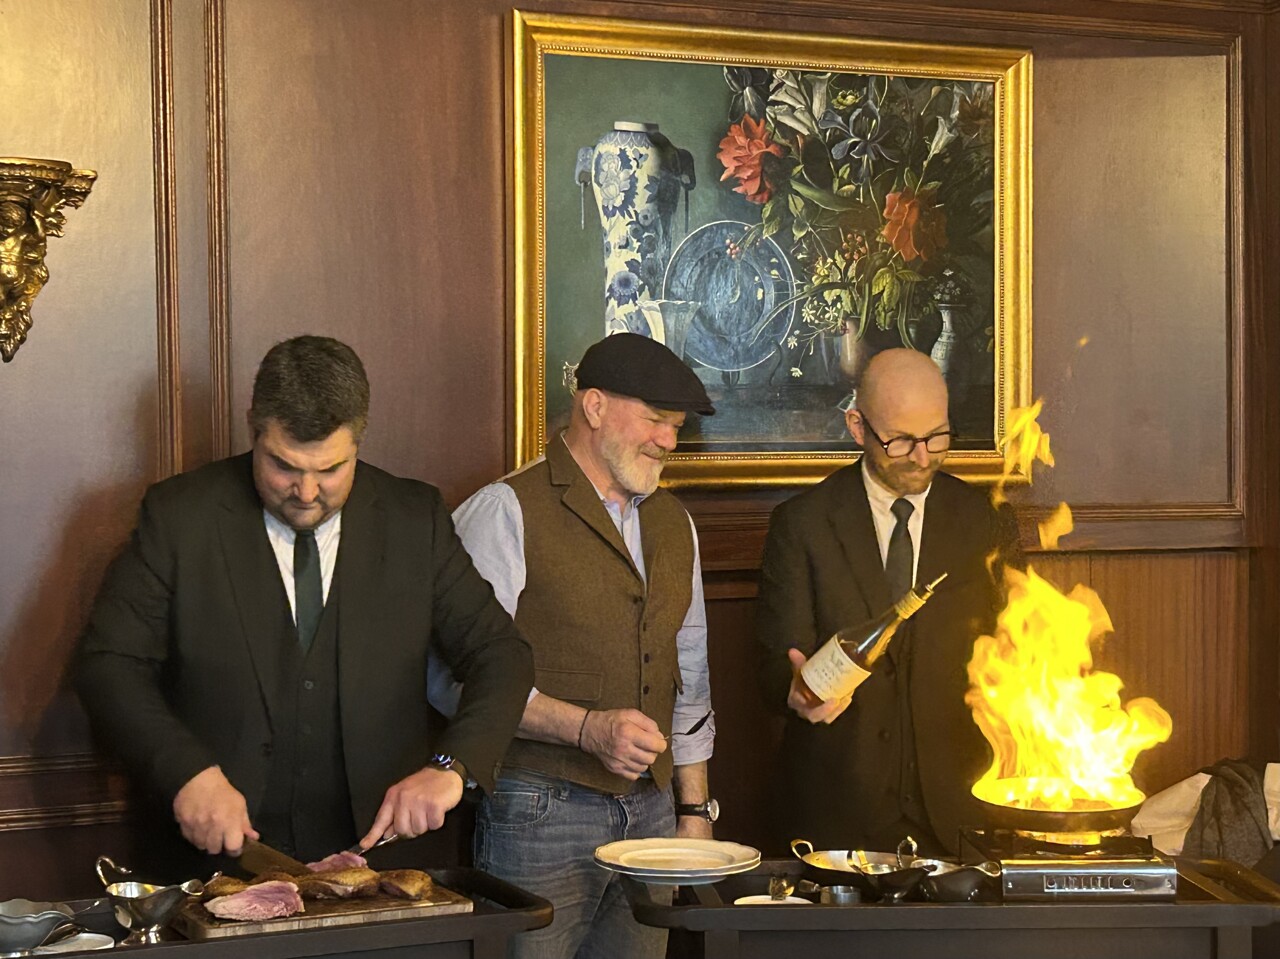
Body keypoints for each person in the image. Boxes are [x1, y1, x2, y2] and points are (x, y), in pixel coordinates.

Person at [76, 335, 533, 876]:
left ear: (359, 441)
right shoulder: (180, 516)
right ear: (254, 428)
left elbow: (501, 654)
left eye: (331, 469)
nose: (307, 492)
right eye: (285, 467)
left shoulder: (415, 519)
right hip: (213, 861)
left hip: (379, 862)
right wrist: (185, 772)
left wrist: (451, 768)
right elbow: (109, 665)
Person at [441, 332, 716, 959]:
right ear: (593, 407)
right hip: (537, 814)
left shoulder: (674, 522)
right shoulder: (503, 510)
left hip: (653, 814)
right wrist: (586, 729)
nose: (668, 442)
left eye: (675, 426)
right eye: (654, 420)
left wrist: (695, 807)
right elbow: (453, 682)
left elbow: (690, 672)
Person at [756, 347, 1019, 856]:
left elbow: (1018, 659)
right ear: (858, 427)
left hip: (962, 814)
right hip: (836, 818)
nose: (923, 457)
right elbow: (773, 669)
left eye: (937, 436)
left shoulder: (986, 523)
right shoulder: (803, 525)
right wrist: (794, 689)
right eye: (900, 441)